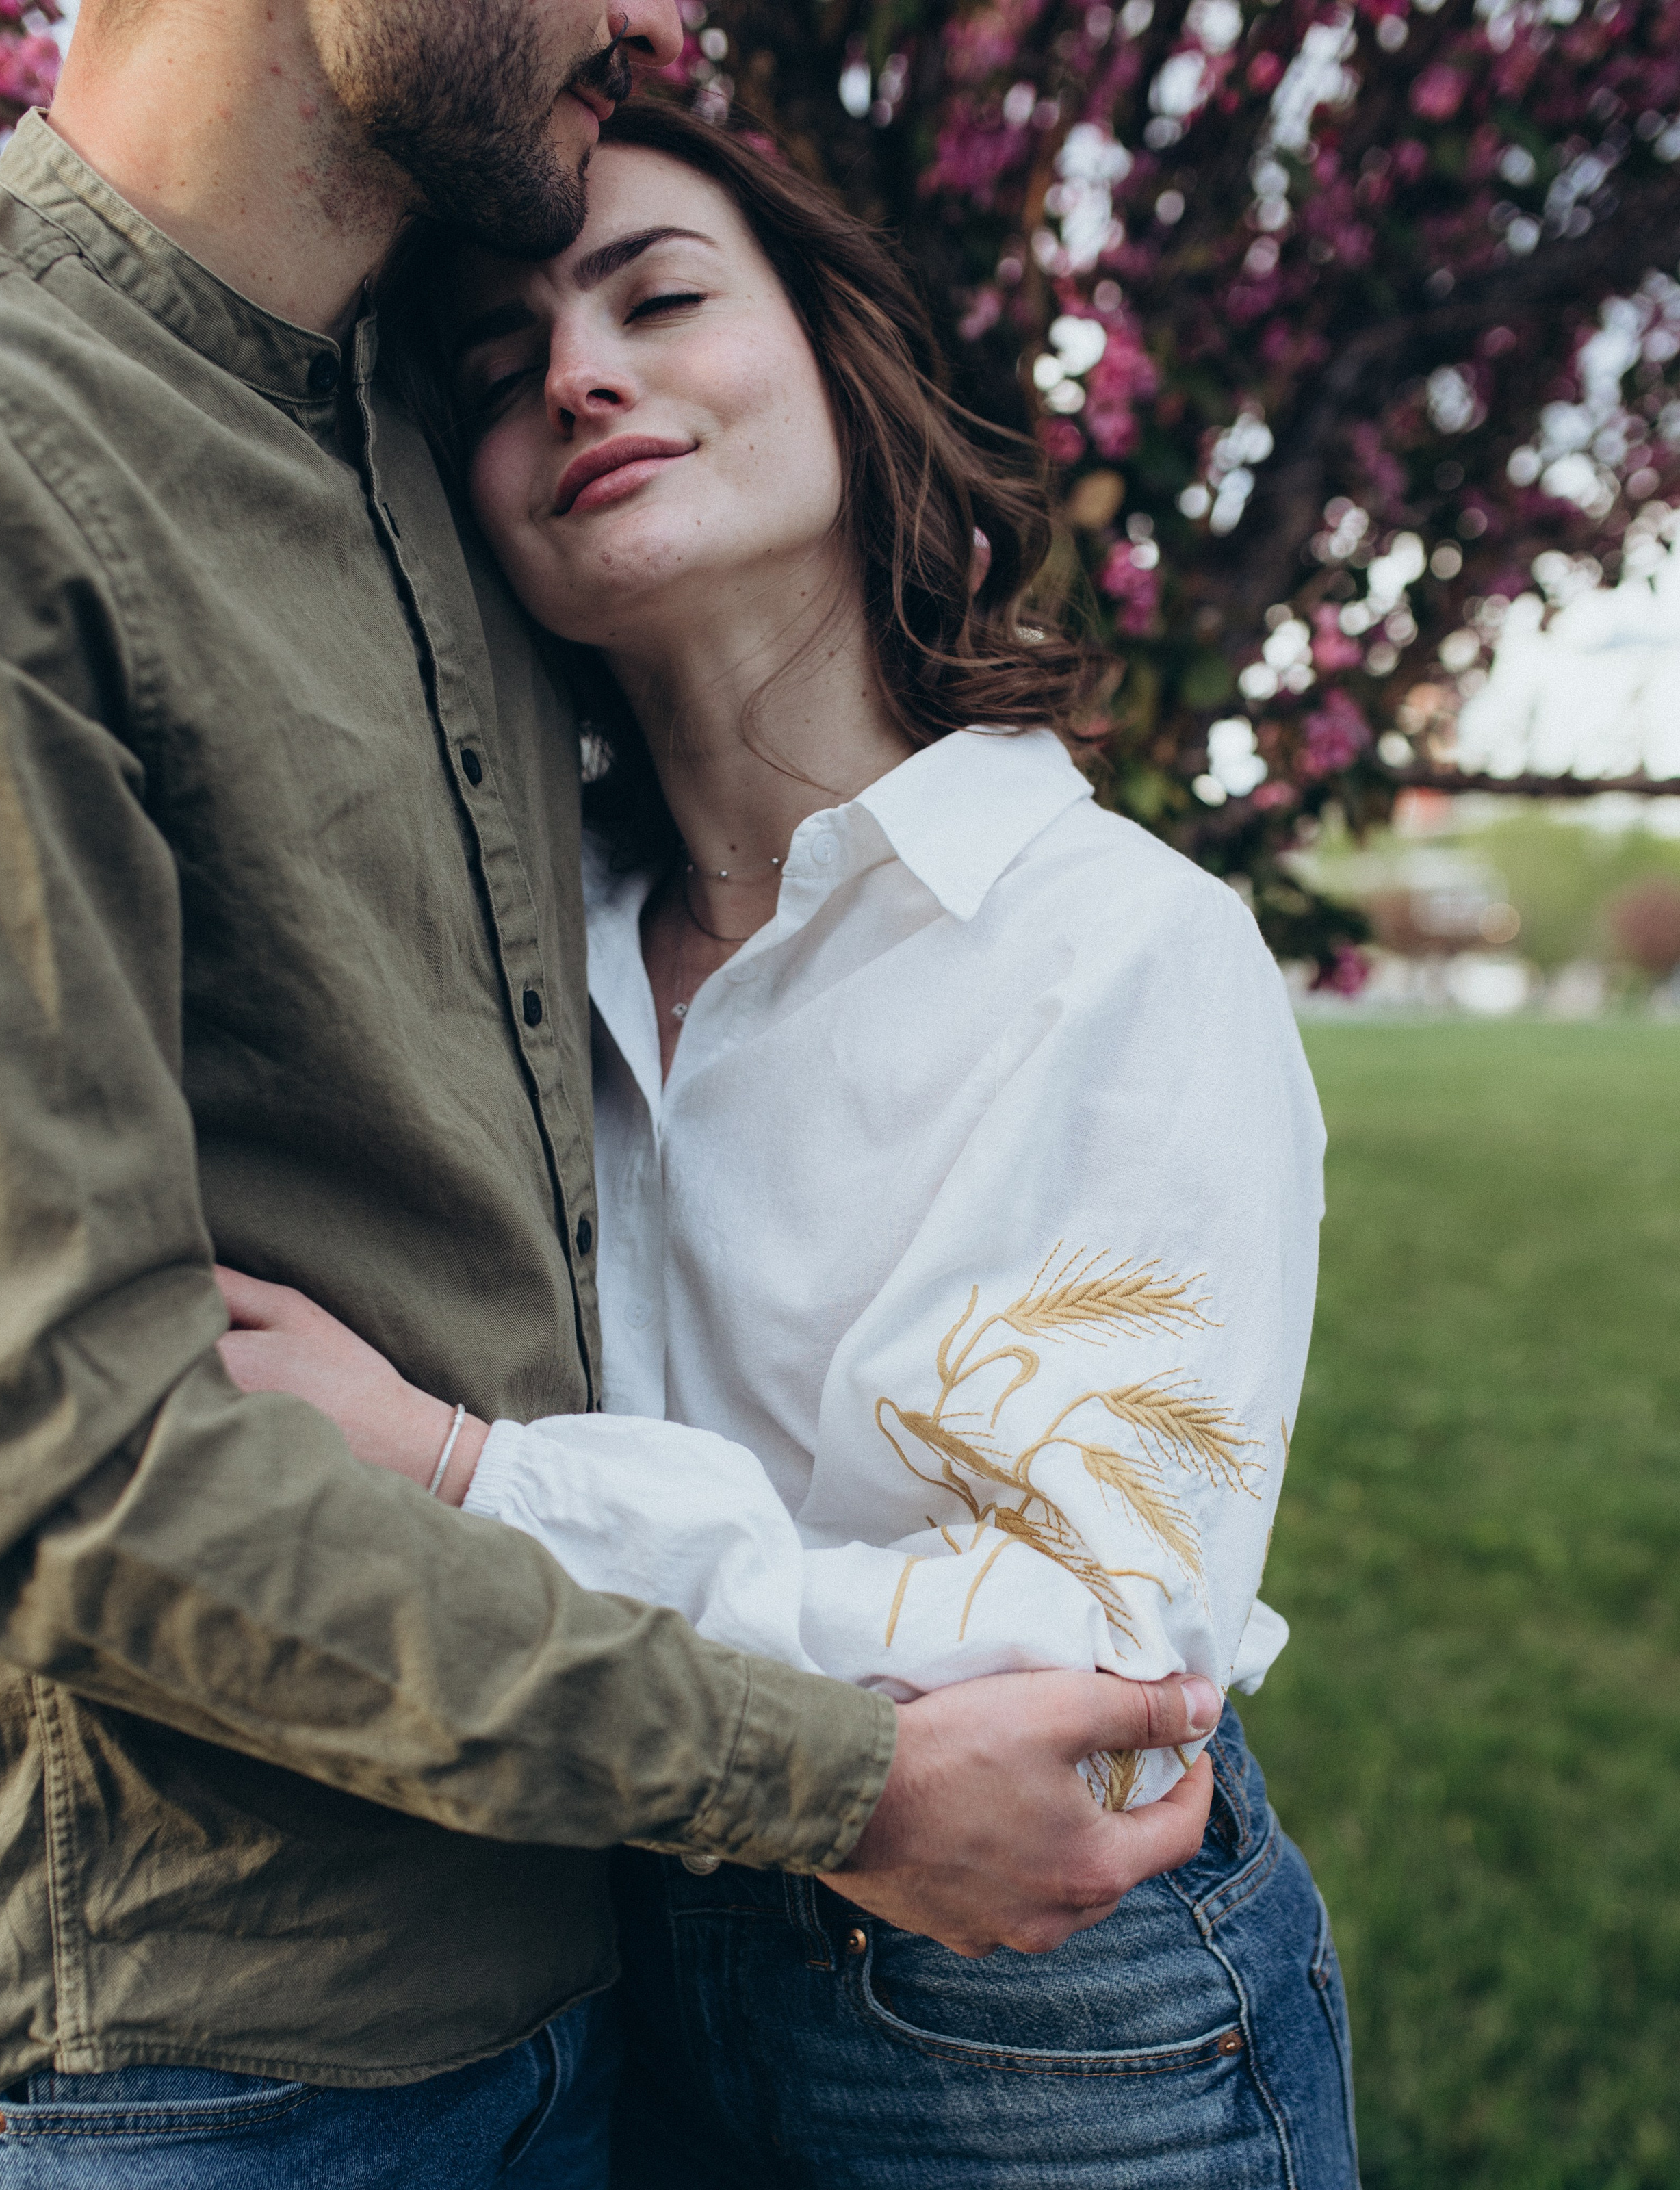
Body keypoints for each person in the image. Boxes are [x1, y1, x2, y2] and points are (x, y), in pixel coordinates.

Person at [0, 2, 1219, 2183]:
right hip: (212, 2055)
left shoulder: (418, 456)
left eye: (655, 308)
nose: (647, 20)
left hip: (611, 1986)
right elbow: (65, 1478)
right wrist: (825, 1783)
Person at [216, 100, 1360, 2188]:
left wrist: (469, 1483)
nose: (577, 374)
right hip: (592, 1972)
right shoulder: (503, 979)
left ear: (843, 373)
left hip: (1031, 2014)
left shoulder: (1121, 951)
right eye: (495, 374)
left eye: (660, 299)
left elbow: (1090, 1662)